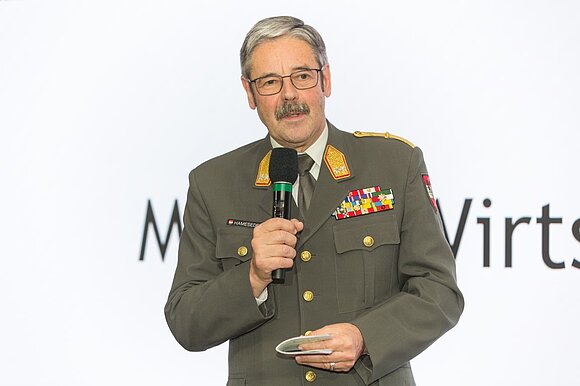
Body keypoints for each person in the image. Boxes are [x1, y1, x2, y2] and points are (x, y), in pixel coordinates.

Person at [165, 16, 464, 385]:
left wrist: (365, 337)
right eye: (270, 82)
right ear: (249, 92)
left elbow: (439, 291)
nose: (289, 95)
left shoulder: (394, 165)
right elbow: (185, 322)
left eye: (302, 76)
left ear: (326, 79)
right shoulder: (213, 183)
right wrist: (253, 276)